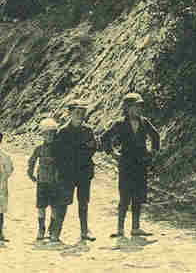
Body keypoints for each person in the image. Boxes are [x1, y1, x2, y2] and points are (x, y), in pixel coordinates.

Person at [101, 92, 161, 238]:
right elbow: (105, 138)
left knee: (138, 196)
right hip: (126, 164)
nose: (138, 109)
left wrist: (153, 152)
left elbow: (155, 136)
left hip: (140, 164)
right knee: (124, 196)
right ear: (127, 108)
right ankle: (120, 229)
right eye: (135, 107)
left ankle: (135, 227)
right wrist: (113, 153)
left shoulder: (144, 122)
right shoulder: (120, 123)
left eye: (140, 106)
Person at [51, 99, 98, 242]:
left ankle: (84, 231)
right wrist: (80, 149)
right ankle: (56, 232)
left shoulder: (88, 130)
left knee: (83, 202)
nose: (80, 115)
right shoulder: (62, 132)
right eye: (76, 112)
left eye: (82, 112)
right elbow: (58, 153)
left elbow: (92, 148)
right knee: (63, 202)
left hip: (84, 172)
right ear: (69, 113)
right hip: (67, 173)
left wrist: (80, 150)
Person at [28, 118, 64, 242]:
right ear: (42, 134)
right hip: (42, 181)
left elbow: (64, 162)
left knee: (54, 206)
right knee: (41, 207)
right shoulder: (39, 148)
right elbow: (32, 160)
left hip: (55, 182)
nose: (49, 136)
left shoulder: (59, 148)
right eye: (46, 133)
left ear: (55, 134)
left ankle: (52, 229)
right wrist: (30, 173)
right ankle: (41, 228)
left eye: (52, 133)